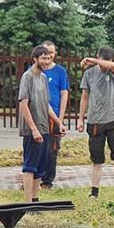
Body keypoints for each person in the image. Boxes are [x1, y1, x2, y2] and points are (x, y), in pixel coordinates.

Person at [77, 46, 114, 199]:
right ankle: (94, 192)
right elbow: (85, 96)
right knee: (97, 159)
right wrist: (80, 118)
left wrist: (92, 60)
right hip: (95, 121)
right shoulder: (89, 74)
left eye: (106, 60)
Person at [18, 45, 60, 202]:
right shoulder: (27, 77)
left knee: (40, 168)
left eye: (48, 58)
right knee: (30, 166)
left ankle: (35, 201)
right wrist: (33, 129)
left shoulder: (43, 77)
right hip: (32, 130)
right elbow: (23, 104)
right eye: (43, 58)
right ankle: (28, 202)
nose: (46, 61)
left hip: (44, 128)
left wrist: (57, 122)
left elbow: (46, 104)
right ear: (35, 59)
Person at [39, 41, 70, 191]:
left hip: (55, 116)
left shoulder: (60, 71)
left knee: (52, 149)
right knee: (37, 147)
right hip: (38, 115)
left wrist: (61, 118)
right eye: (46, 52)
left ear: (55, 53)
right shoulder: (35, 71)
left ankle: (47, 181)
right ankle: (34, 177)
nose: (49, 55)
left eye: (51, 52)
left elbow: (64, 93)